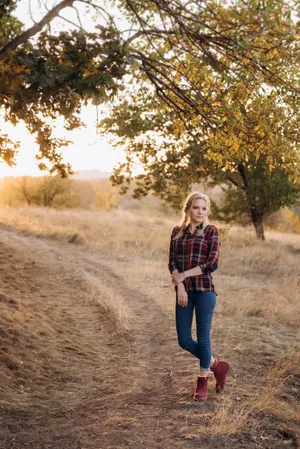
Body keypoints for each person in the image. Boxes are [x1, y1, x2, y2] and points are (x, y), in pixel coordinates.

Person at [168, 191, 230, 401]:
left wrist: (184, 275)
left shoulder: (211, 231)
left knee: (203, 337)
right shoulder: (177, 232)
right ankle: (217, 365)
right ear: (187, 209)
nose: (200, 212)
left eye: (204, 208)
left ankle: (203, 380)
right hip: (184, 292)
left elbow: (211, 264)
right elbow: (172, 263)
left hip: (205, 291)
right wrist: (181, 286)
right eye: (196, 207)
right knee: (184, 340)